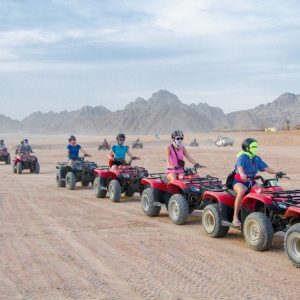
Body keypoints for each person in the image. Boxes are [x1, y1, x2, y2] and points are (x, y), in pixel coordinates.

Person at [232, 138, 278, 227]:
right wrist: (242, 174)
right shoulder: (242, 157)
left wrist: (276, 172)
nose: (255, 148)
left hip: (251, 182)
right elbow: (239, 167)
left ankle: (262, 214)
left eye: (256, 146)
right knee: (241, 191)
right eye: (253, 146)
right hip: (239, 181)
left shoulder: (256, 158)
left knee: (263, 190)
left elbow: (266, 167)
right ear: (247, 148)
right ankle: (235, 217)